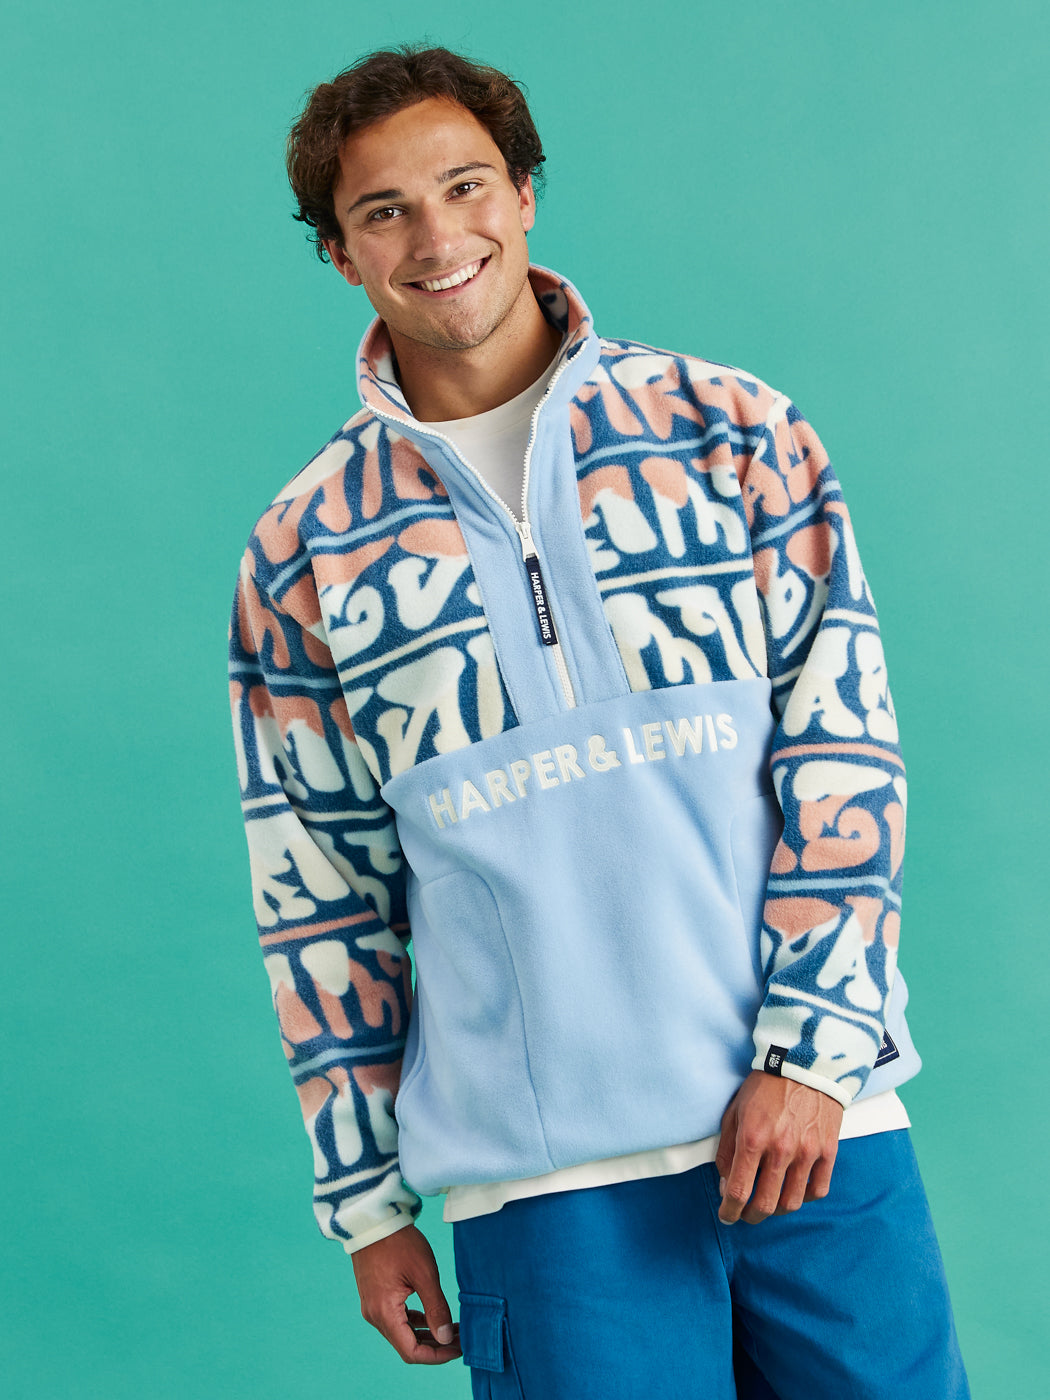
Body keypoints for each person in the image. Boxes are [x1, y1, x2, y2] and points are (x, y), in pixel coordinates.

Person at [228, 43, 969, 1399]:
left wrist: (814, 1060)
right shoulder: (304, 549)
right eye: (385, 210)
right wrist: (368, 1206)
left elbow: (843, 755)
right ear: (339, 254)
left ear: (523, 194)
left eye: (466, 187)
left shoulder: (733, 432)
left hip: (822, 1130)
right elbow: (320, 897)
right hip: (547, 1189)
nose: (436, 237)